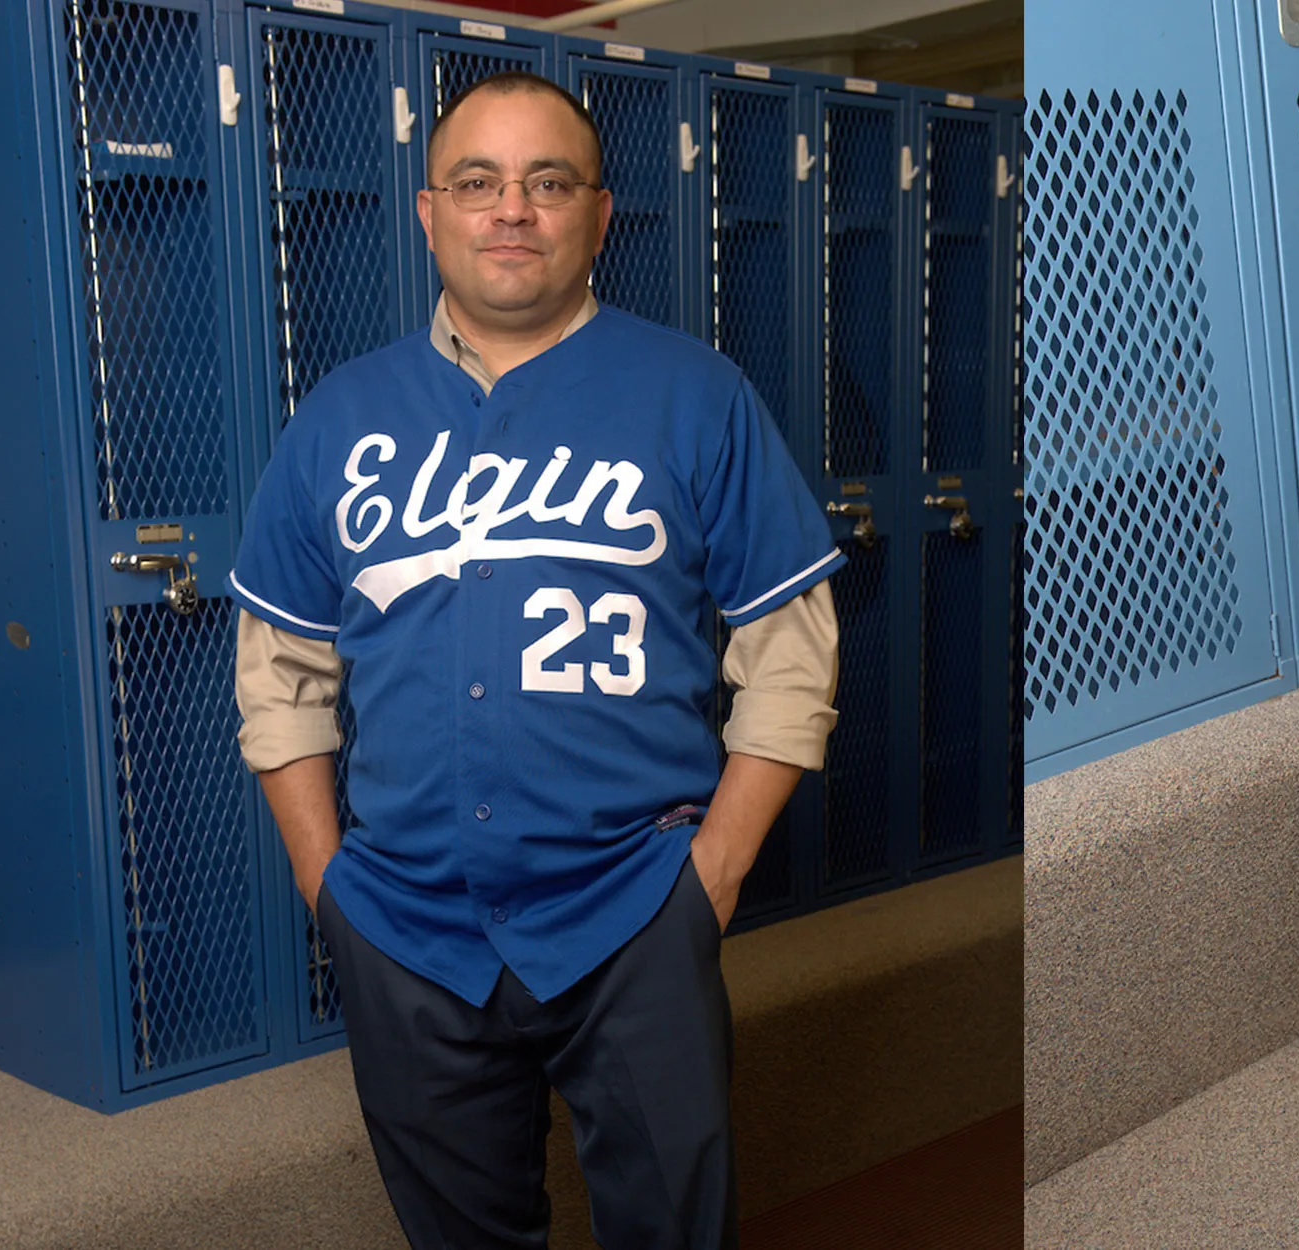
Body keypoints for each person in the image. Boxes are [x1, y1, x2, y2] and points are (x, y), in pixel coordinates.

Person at [227, 71, 843, 1249]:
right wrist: (331, 889)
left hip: (633, 910)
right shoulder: (338, 419)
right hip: (401, 923)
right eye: (478, 182)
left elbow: (793, 655)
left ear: (599, 215)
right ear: (429, 210)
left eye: (547, 182)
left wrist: (705, 883)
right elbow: (280, 673)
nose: (512, 209)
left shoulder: (695, 394)